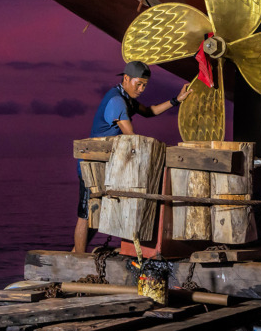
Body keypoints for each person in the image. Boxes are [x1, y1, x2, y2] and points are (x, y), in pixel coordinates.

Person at [73, 60, 192, 253]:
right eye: (139, 84)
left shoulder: (126, 98)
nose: (142, 89)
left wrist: (176, 100)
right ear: (126, 79)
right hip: (91, 165)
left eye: (145, 85)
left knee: (97, 213)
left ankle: (75, 252)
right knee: (86, 214)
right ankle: (77, 260)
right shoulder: (117, 101)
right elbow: (131, 137)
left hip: (107, 164)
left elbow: (149, 111)